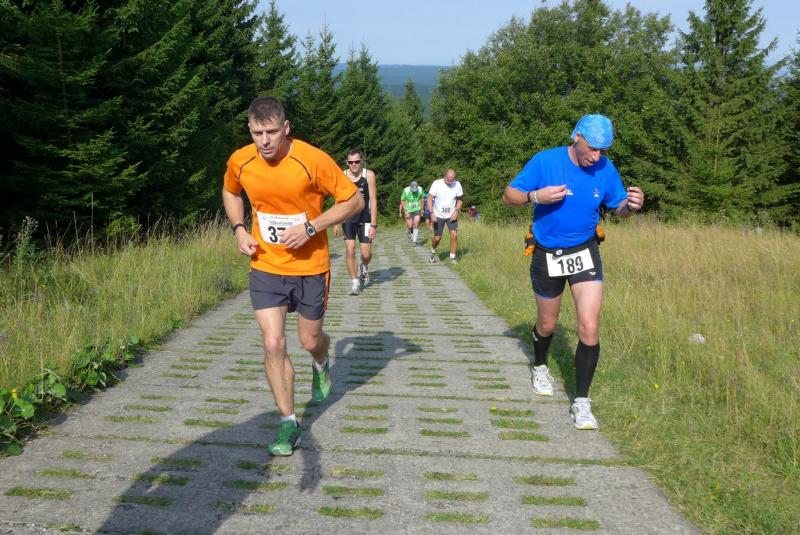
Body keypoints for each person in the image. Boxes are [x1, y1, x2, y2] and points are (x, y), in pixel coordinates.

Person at [222, 96, 364, 456]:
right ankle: (288, 422)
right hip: (266, 265)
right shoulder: (241, 160)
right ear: (250, 130)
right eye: (257, 133)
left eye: (272, 132)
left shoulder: (311, 159)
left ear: (286, 128)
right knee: (273, 343)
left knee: (308, 340)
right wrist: (239, 229)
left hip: (310, 267)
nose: (265, 141)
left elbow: (354, 201)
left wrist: (312, 227)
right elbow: (230, 191)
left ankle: (321, 360)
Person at [501, 114, 644, 430]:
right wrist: (535, 196)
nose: (597, 156)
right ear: (576, 137)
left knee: (589, 326)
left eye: (603, 150)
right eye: (592, 148)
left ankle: (581, 402)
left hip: (585, 251)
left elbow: (619, 207)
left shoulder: (605, 169)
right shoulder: (545, 161)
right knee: (547, 323)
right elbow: (508, 196)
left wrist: (631, 207)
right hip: (547, 253)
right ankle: (540, 365)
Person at [334, 149, 378, 296]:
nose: (354, 165)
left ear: (362, 161)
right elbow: (338, 199)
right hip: (348, 218)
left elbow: (373, 200)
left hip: (365, 219)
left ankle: (364, 266)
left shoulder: (369, 175)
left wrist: (373, 224)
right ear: (347, 163)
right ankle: (355, 282)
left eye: (357, 162)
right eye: (351, 162)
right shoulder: (343, 175)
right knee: (350, 249)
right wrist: (336, 221)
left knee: (366, 254)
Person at [427, 169, 463, 263]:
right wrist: (431, 213)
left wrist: (456, 211)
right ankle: (433, 251)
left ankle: (452, 258)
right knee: (437, 238)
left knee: (454, 235)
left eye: (452, 181)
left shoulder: (457, 184)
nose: (450, 183)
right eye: (448, 181)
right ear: (444, 176)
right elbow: (429, 199)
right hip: (438, 215)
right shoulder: (436, 184)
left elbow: (460, 200)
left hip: (451, 215)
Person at [399, 180, 426, 245]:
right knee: (410, 225)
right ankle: (411, 234)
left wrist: (422, 209)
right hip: (408, 209)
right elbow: (402, 200)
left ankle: (414, 240)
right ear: (410, 187)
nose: (414, 192)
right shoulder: (406, 190)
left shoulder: (420, 189)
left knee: (416, 222)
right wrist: (405, 210)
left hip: (417, 209)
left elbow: (422, 199)